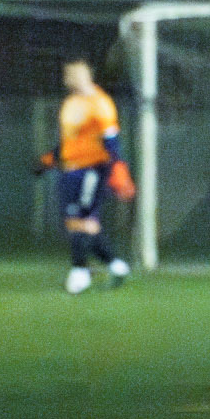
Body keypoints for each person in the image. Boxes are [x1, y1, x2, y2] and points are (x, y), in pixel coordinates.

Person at [34, 59, 134, 294]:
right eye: (68, 74)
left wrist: (118, 168)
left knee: (83, 220)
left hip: (93, 169)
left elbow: (111, 139)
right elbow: (70, 140)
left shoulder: (100, 103)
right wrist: (49, 159)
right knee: (76, 222)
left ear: (87, 75)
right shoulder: (70, 102)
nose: (70, 78)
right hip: (70, 170)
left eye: (75, 73)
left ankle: (80, 272)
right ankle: (116, 265)